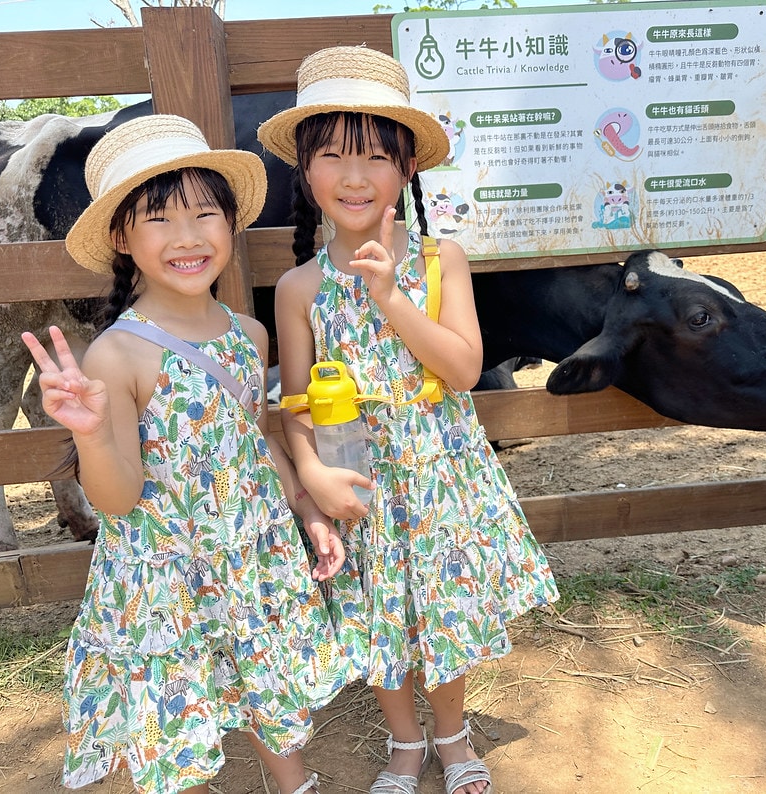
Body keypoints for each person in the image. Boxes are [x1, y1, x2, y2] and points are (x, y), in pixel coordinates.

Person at [21, 114, 356, 794]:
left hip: (251, 558)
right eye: (159, 220)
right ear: (121, 238)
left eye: (205, 213)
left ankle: (295, 785)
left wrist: (306, 509)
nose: (187, 237)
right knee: (178, 723)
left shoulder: (247, 333)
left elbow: (256, 438)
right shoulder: (118, 353)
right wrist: (91, 433)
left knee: (269, 685)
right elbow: (117, 499)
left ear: (230, 223)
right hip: (167, 581)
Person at [258, 47, 560, 794]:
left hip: (439, 472)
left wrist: (392, 297)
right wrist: (314, 474)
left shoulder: (439, 260)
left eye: (376, 157)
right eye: (332, 156)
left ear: (408, 169)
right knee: (377, 613)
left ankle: (452, 737)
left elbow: (463, 369)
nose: (354, 176)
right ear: (305, 171)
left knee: (443, 609)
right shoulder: (298, 288)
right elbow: (294, 405)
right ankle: (404, 741)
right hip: (355, 477)